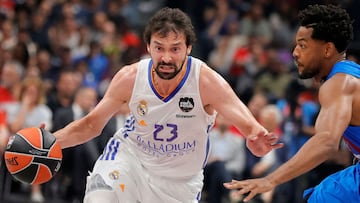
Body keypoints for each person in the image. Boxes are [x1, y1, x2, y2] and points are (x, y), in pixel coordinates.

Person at [51, 7, 282, 203]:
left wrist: (255, 138)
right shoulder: (130, 78)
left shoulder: (206, 82)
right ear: (148, 46)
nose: (167, 58)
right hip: (130, 161)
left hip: (180, 184)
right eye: (159, 47)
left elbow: (249, 127)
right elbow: (91, 125)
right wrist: (47, 142)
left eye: (175, 48)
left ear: (188, 48)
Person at [224, 4, 360, 203]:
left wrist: (270, 180)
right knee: (324, 194)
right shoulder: (351, 74)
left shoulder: (338, 83)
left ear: (328, 49)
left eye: (303, 45)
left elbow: (327, 142)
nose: (295, 52)